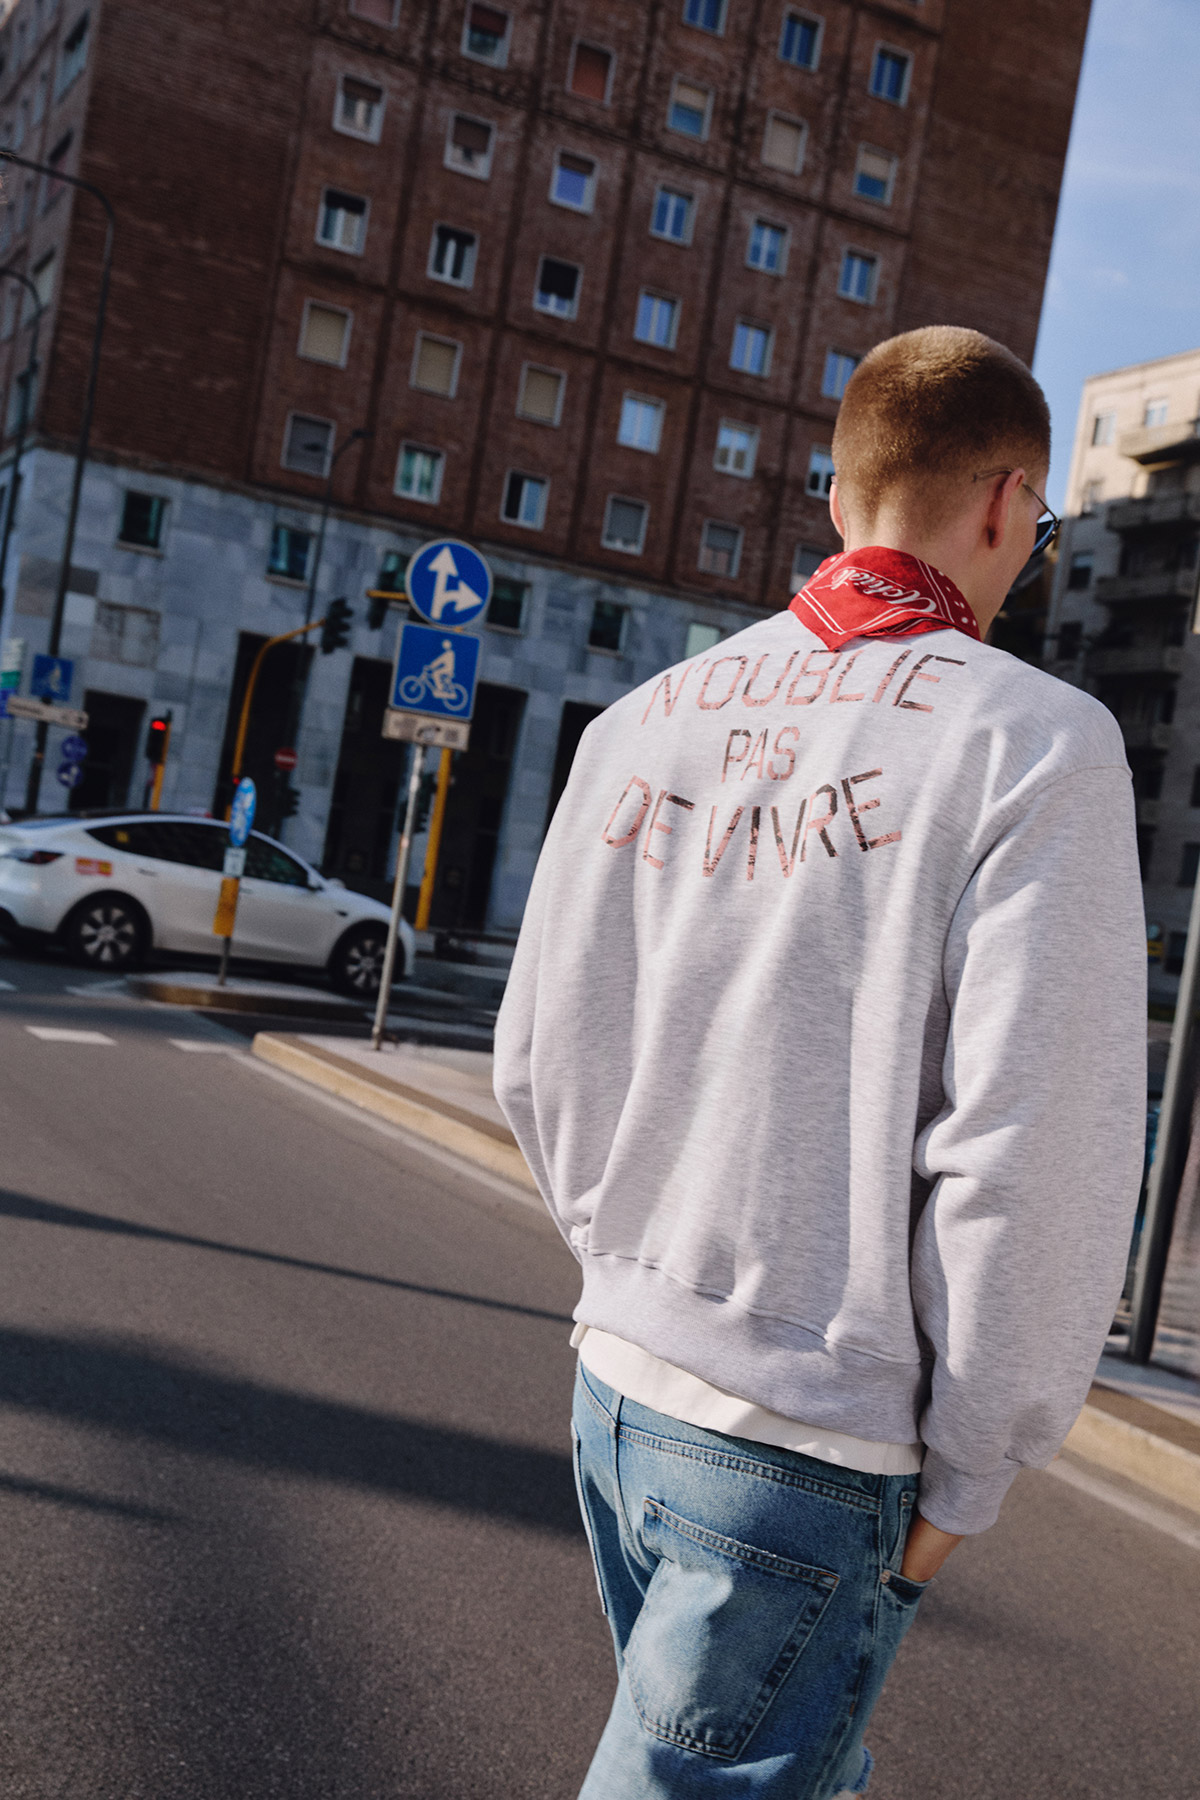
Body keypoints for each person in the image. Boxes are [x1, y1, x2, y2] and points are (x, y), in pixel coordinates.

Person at [494, 326, 1146, 1799]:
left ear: (844, 495)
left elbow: (535, 1059)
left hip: (621, 1386)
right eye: (1035, 536)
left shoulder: (644, 718)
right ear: (1007, 503)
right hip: (806, 1439)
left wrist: (636, 1278)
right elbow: (1031, 1151)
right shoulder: (1035, 743)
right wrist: (974, 1471)